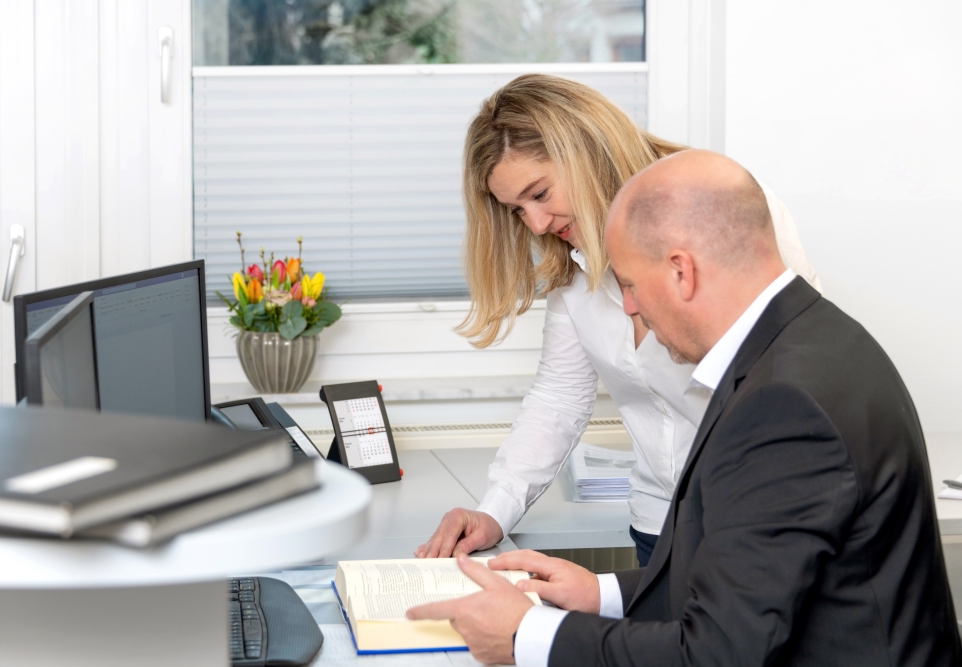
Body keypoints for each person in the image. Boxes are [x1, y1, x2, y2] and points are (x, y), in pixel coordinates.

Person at [406, 150, 962, 666]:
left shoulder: (782, 411)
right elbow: (753, 581)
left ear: (681, 271)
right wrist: (598, 591)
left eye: (627, 285)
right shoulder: (819, 338)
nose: (627, 309)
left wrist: (527, 635)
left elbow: (719, 652)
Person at [415, 74, 822, 566]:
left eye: (540, 193)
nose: (537, 224)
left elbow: (797, 370)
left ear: (586, 151)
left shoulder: (726, 209)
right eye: (517, 211)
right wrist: (495, 511)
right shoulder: (571, 264)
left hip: (758, 517)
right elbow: (559, 398)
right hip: (658, 524)